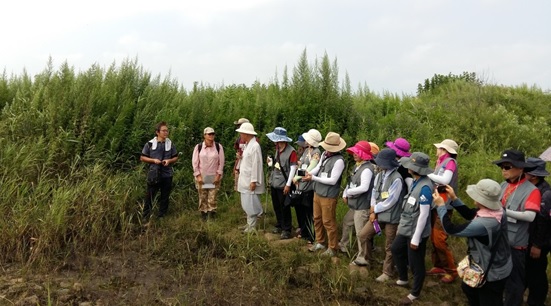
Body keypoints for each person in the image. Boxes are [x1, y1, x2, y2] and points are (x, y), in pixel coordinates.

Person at [434, 180, 512, 306]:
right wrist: (453, 198)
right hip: (498, 263)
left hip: (492, 273)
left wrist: (441, 206)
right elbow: (471, 214)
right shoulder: (499, 210)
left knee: (488, 300)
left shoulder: (484, 223)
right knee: (469, 289)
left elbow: (451, 229)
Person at [492, 149, 541, 306]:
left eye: (507, 167)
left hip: (515, 246)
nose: (503, 170)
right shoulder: (502, 185)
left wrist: (505, 212)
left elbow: (530, 216)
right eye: (502, 167)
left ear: (520, 168)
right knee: (498, 280)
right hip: (498, 241)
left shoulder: (532, 190)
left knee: (514, 285)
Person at [390, 152, 433, 305]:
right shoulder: (416, 181)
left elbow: (424, 215)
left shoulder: (426, 188)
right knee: (396, 248)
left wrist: (416, 238)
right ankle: (403, 278)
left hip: (417, 231)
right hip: (407, 226)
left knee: (416, 262)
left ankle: (415, 293)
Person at [358, 148, 407, 282]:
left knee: (389, 245)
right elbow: (374, 192)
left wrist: (375, 210)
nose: (378, 164)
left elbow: (391, 201)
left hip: (392, 216)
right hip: (378, 213)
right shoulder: (380, 175)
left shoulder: (397, 179)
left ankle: (387, 272)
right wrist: (373, 208)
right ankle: (366, 259)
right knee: (363, 235)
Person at [303, 132, 346, 257]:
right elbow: (318, 168)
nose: (327, 149)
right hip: (318, 192)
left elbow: (333, 180)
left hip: (328, 196)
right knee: (317, 218)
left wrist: (313, 178)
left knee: (328, 221)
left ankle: (332, 248)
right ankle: (320, 241)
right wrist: (309, 172)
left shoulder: (339, 161)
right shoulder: (324, 154)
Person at [426, 139, 459, 283]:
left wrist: (427, 173)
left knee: (439, 238)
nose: (437, 150)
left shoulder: (450, 162)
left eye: (439, 148)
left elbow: (445, 179)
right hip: (437, 203)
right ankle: (439, 265)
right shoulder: (441, 162)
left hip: (445, 205)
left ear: (445, 150)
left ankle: (452, 271)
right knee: (434, 237)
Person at [338, 143, 380, 254]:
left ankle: (363, 256)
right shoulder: (357, 165)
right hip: (355, 204)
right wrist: (345, 193)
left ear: (364, 154)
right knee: (347, 221)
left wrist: (348, 192)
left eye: (357, 153)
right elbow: (351, 181)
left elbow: (364, 188)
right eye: (354, 152)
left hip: (362, 206)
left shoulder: (367, 169)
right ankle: (343, 246)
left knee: (360, 232)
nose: (354, 154)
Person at [524, 157, 551, 306]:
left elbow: (544, 222)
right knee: (528, 269)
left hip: (539, 241)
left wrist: (538, 245)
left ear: (533, 175)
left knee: (537, 272)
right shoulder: (531, 188)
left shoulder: (545, 194)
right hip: (528, 238)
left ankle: (536, 301)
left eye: (525, 170)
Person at [140, 121, 179, 220]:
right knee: (150, 196)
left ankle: (162, 216)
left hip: (167, 174)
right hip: (154, 174)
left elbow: (175, 157)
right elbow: (142, 157)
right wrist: (153, 160)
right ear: (157, 132)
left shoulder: (170, 144)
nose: (166, 132)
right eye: (164, 131)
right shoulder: (149, 144)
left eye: (167, 130)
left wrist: (169, 160)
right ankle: (146, 217)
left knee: (165, 197)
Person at [266, 127, 298, 239]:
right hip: (275, 182)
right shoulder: (277, 149)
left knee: (285, 207)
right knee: (276, 206)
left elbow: (293, 168)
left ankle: (287, 229)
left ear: (282, 140)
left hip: (284, 184)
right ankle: (279, 225)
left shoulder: (291, 151)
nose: (275, 142)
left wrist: (288, 184)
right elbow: (277, 165)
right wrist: (271, 163)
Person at [292, 129, 322, 243]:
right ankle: (304, 232)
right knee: (302, 211)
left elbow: (310, 169)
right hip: (301, 185)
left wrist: (297, 177)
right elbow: (302, 165)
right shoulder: (307, 151)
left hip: (309, 186)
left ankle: (310, 235)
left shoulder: (316, 152)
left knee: (309, 212)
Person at [235, 122, 265, 233]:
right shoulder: (248, 145)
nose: (241, 136)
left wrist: (254, 180)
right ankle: (249, 224)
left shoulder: (255, 146)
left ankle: (252, 226)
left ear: (246, 134)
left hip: (250, 180)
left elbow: (256, 164)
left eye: (242, 133)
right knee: (246, 202)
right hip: (244, 179)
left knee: (251, 203)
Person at [192, 127, 225, 221]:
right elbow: (195, 162)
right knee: (202, 196)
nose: (211, 136)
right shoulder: (198, 147)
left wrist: (218, 175)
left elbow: (221, 162)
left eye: (213, 134)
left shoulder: (218, 147)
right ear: (204, 135)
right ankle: (203, 213)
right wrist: (198, 176)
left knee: (212, 196)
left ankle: (212, 214)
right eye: (209, 134)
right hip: (202, 176)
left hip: (214, 176)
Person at [233, 118, 250, 191]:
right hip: (239, 166)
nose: (238, 128)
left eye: (240, 125)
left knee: (246, 188)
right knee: (238, 187)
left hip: (247, 167)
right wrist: (235, 167)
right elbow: (237, 150)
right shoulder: (238, 139)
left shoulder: (253, 140)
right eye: (238, 126)